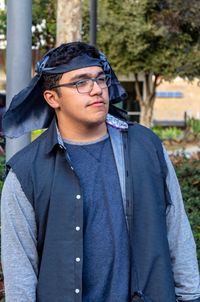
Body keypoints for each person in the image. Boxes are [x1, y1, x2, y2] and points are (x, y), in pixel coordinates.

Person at [1, 42, 200, 302]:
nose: (96, 89)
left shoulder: (146, 146)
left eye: (100, 78)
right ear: (52, 98)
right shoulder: (26, 172)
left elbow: (177, 231)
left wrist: (191, 296)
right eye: (80, 83)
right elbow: (20, 269)